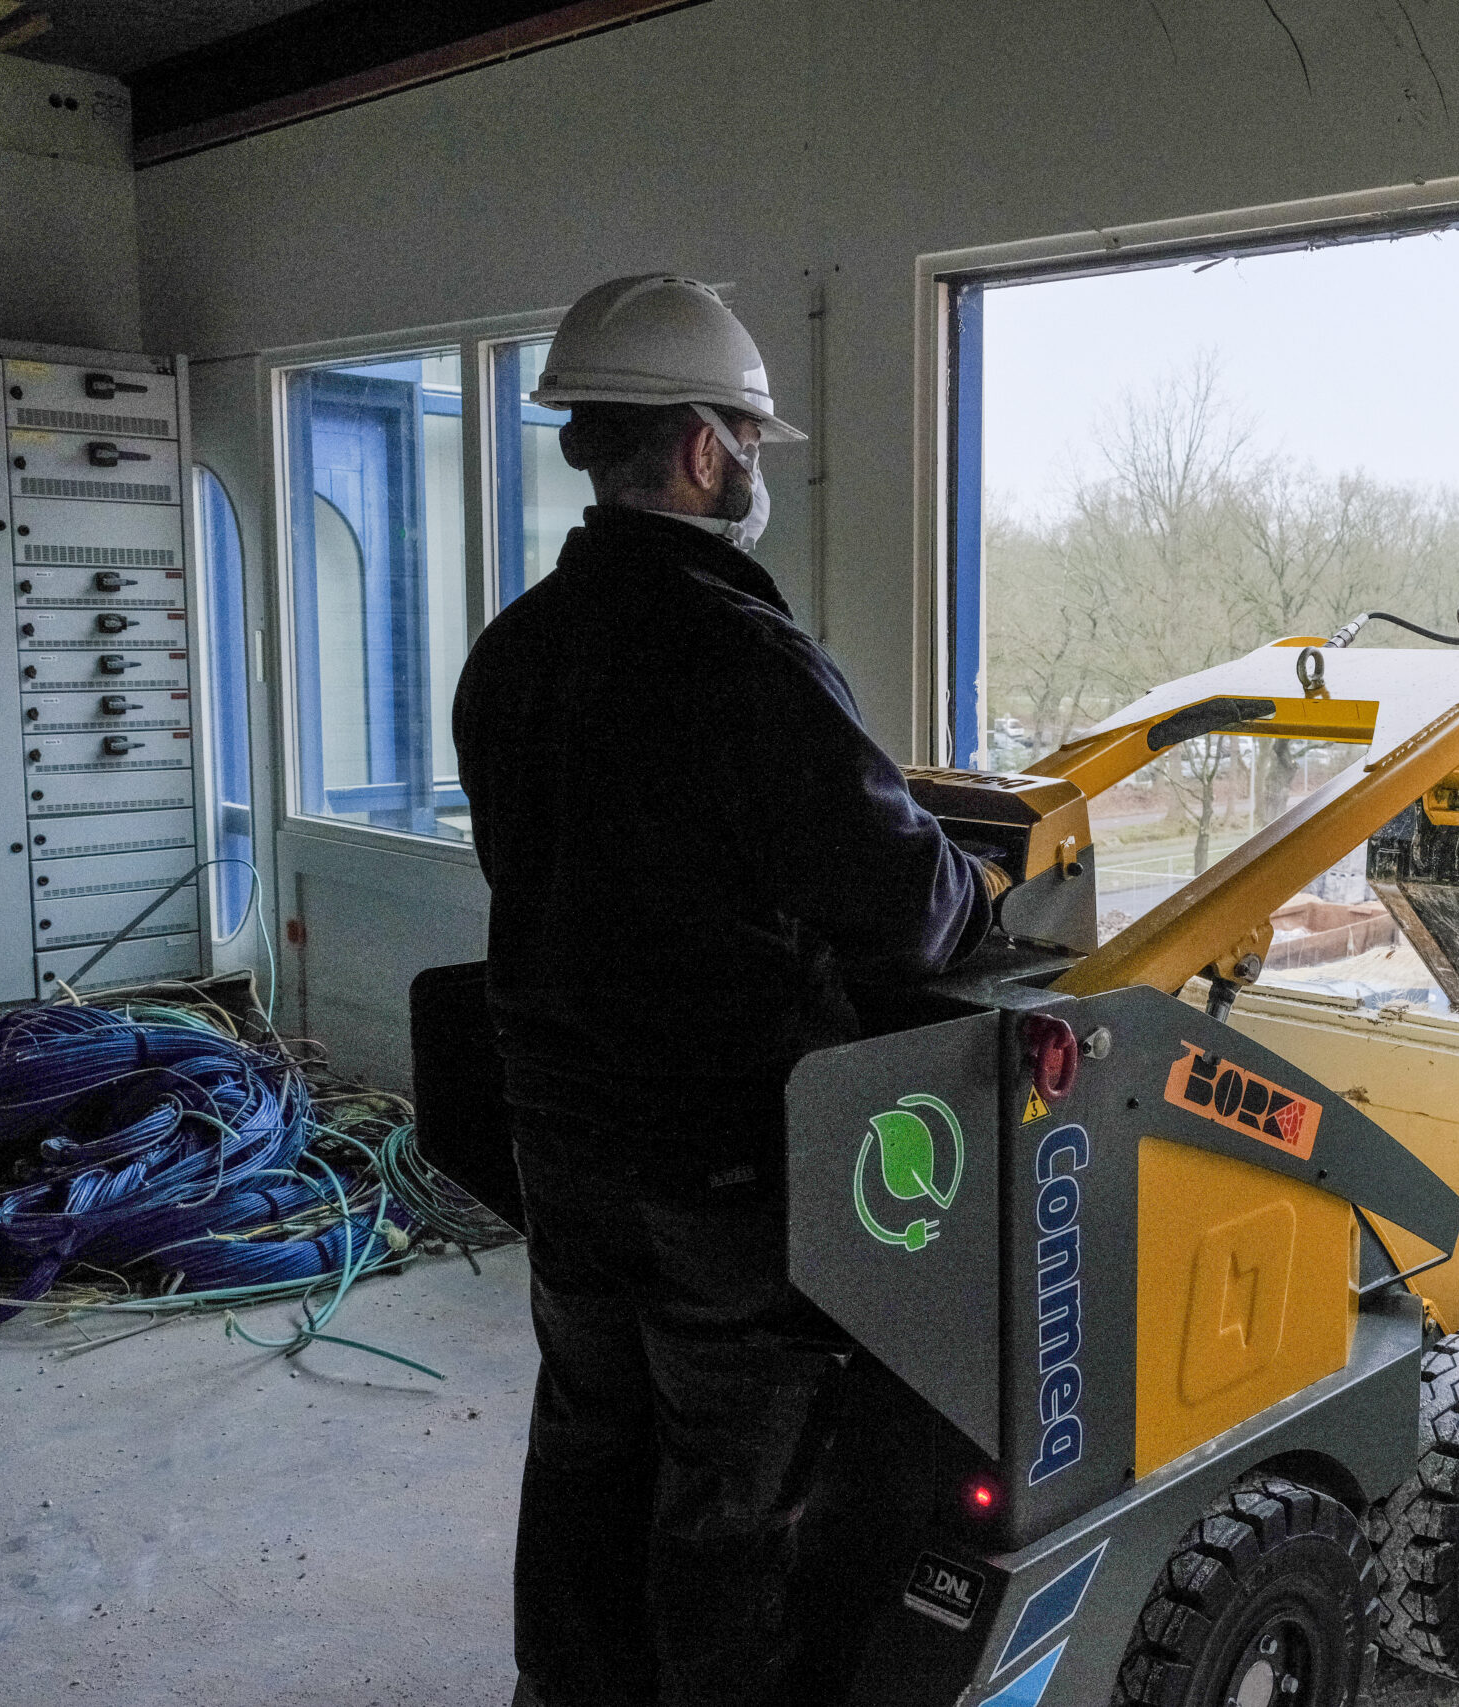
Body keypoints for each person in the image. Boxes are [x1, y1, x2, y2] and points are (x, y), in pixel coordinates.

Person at [451, 274, 1007, 1707]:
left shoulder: (508, 655)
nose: (757, 465)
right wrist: (981, 890)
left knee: (586, 1439)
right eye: (752, 438)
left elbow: (546, 873)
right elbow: (903, 906)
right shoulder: (742, 660)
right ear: (705, 448)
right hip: (718, 1169)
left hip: (558, 1144)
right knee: (732, 1497)